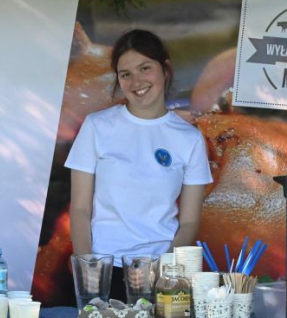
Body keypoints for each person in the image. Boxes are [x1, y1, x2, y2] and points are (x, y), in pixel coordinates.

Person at [65, 29, 213, 301]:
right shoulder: (97, 126)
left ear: (165, 69)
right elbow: (80, 208)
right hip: (105, 271)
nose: (137, 81)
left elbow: (190, 221)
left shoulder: (189, 138)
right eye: (126, 74)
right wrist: (89, 270)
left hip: (160, 276)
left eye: (145, 68)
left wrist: (163, 272)